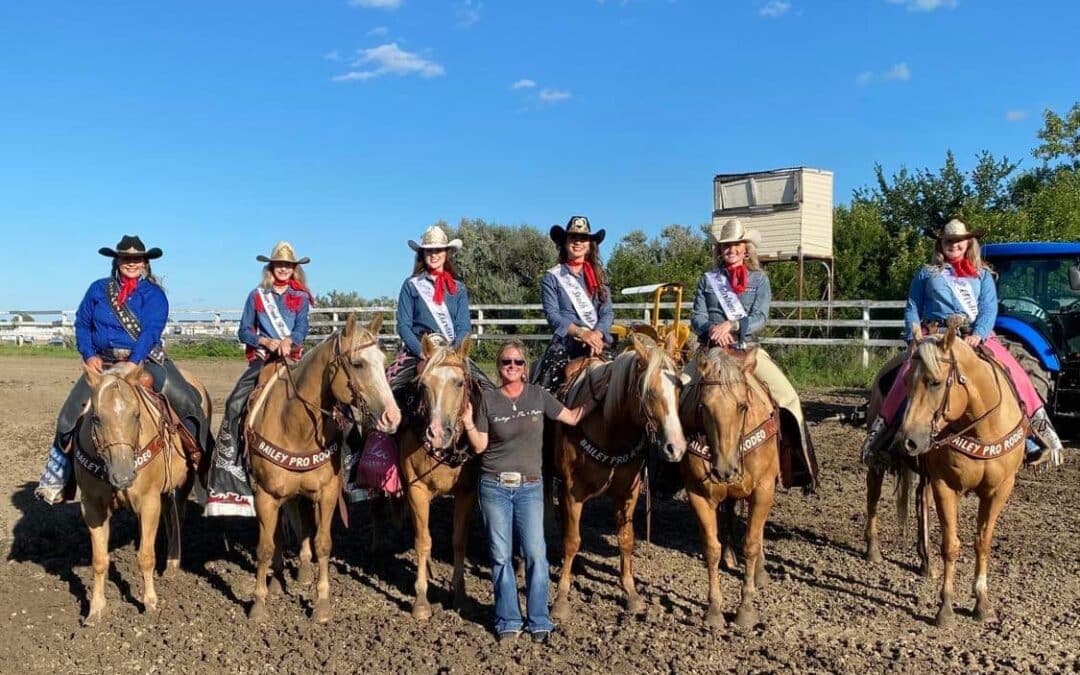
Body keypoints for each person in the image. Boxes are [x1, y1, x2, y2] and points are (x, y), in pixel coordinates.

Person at [860, 218, 1065, 467]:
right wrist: (914, 338)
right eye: (949, 240)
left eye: (959, 241)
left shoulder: (983, 275)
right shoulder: (927, 273)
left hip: (975, 337)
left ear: (968, 242)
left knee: (1015, 372)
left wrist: (978, 333)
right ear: (941, 243)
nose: (954, 245)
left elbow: (989, 309)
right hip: (934, 336)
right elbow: (912, 307)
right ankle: (880, 436)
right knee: (907, 377)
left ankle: (1035, 435)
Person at [35, 235, 210, 504]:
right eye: (126, 258)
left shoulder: (154, 295)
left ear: (145, 263)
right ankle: (60, 478)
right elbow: (82, 324)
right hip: (102, 363)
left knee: (188, 403)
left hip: (145, 360)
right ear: (117, 261)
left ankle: (204, 467)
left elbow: (152, 331)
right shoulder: (98, 289)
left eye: (137, 259)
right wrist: (89, 353)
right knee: (68, 417)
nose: (131, 263)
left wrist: (134, 361)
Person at [461, 339, 605, 644]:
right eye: (506, 362)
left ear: (526, 368)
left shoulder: (539, 396)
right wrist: (467, 423)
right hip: (494, 486)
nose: (512, 367)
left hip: (529, 486)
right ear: (499, 367)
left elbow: (573, 417)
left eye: (518, 362)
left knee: (536, 554)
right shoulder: (488, 400)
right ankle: (508, 619)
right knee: (500, 556)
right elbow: (480, 446)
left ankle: (539, 618)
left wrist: (598, 394)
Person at [690, 219, 819, 491]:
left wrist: (734, 325)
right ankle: (666, 469)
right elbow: (697, 316)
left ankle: (800, 467)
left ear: (745, 248)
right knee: (677, 390)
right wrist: (713, 329)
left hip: (747, 351)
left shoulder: (760, 280)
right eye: (726, 245)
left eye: (735, 244)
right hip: (712, 351)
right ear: (720, 249)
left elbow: (760, 317)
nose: (731, 249)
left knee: (788, 397)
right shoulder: (708, 280)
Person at [204, 241, 313, 517]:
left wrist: (291, 340)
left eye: (288, 265)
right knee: (234, 404)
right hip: (263, 360)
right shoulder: (256, 295)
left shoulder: (301, 298)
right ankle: (232, 462)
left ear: (294, 269)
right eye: (279, 265)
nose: (283, 269)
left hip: (293, 360)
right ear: (271, 267)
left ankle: (339, 464)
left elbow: (302, 328)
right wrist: (263, 339)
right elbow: (243, 330)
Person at [389, 224, 491, 399]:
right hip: (418, 351)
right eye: (429, 251)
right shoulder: (411, 285)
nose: (434, 255)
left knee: (487, 389)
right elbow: (404, 326)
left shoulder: (458, 289)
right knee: (388, 388)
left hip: (451, 351)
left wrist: (454, 351)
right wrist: (422, 352)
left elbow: (464, 327)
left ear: (447, 253)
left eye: (438, 250)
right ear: (423, 254)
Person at [532, 215, 615, 392]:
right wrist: (581, 332)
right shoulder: (552, 277)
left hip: (598, 344)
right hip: (565, 344)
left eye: (583, 238)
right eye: (573, 237)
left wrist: (597, 334)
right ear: (565, 242)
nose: (578, 242)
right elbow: (552, 315)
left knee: (624, 381)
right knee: (545, 390)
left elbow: (607, 312)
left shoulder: (600, 277)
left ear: (589, 244)